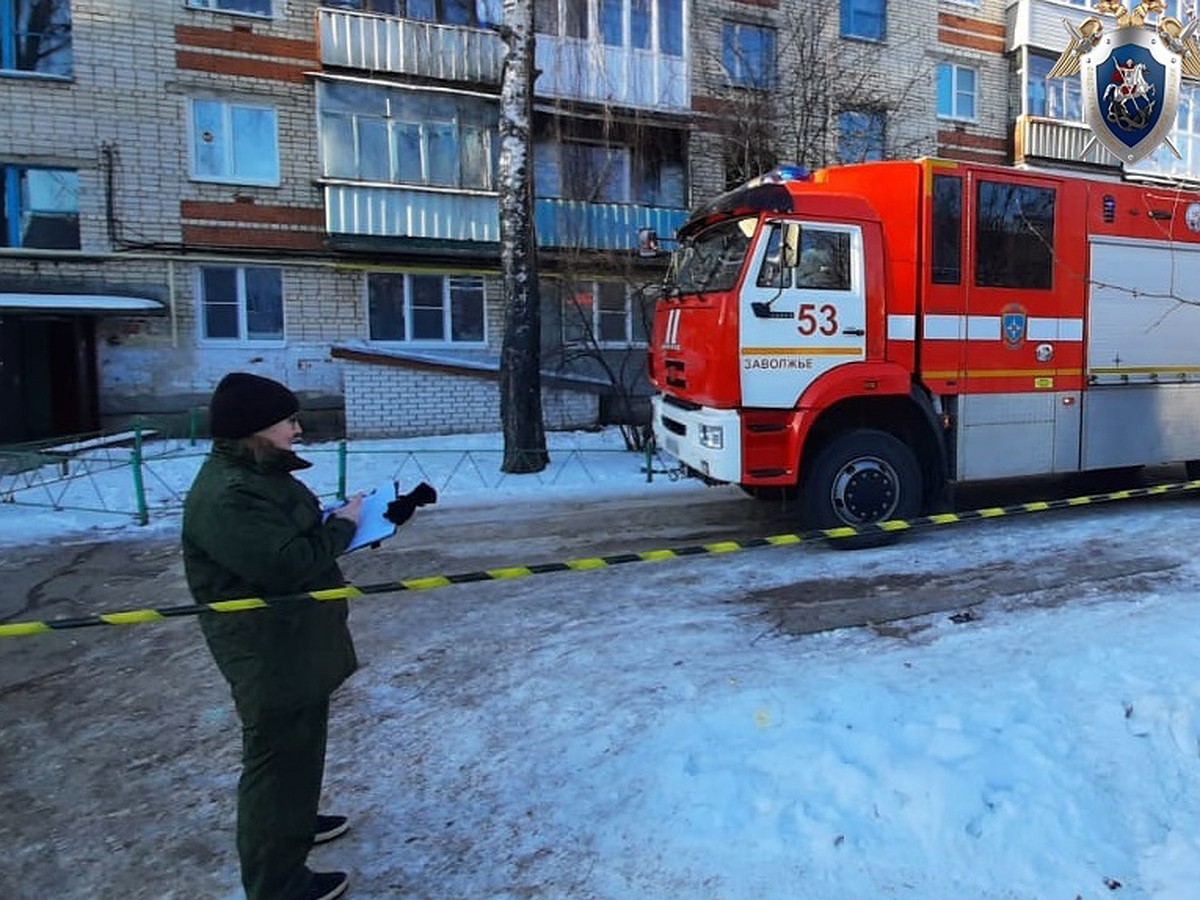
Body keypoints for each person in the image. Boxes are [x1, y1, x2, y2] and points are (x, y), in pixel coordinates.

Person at [182, 372, 362, 900]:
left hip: (293, 640)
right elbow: (285, 563)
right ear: (257, 427)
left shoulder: (261, 473)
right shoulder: (229, 493)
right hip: (268, 648)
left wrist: (348, 520)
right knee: (276, 757)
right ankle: (277, 883)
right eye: (288, 420)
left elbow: (294, 534)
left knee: (301, 744)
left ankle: (295, 820)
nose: (297, 429)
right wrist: (345, 527)